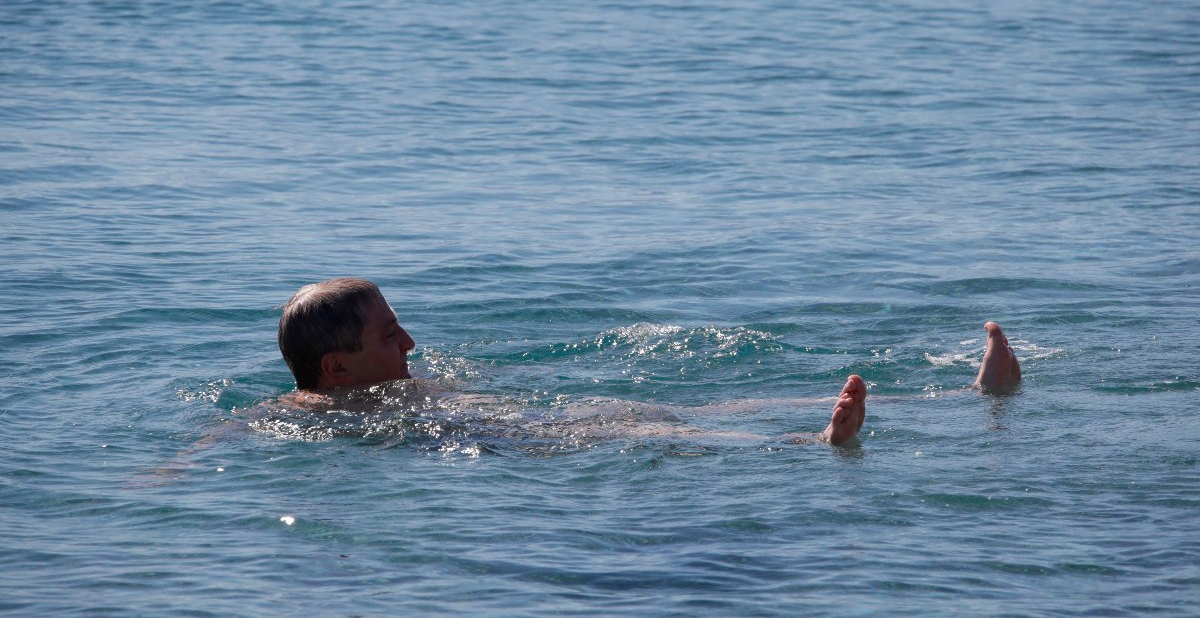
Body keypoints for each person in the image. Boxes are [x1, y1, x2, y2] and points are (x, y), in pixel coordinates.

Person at [276, 278, 1021, 446]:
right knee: (670, 434)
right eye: (388, 338)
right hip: (532, 446)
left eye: (403, 328)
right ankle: (813, 445)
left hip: (539, 420)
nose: (410, 345)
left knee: (706, 412)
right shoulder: (301, 413)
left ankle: (962, 396)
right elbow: (214, 442)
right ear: (335, 369)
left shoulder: (405, 387)